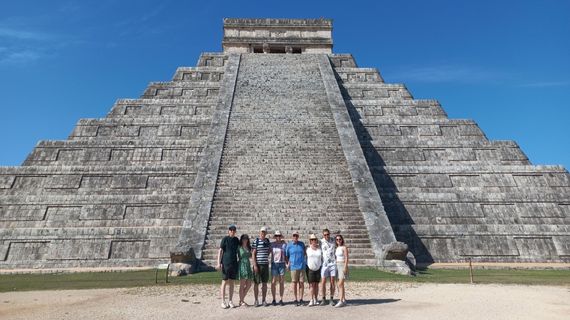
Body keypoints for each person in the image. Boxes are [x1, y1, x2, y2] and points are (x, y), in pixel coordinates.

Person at [217, 224, 240, 309]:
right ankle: (223, 301)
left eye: (234, 230)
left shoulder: (236, 240)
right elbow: (220, 250)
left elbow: (239, 250)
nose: (232, 232)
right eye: (231, 230)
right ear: (229, 231)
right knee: (224, 281)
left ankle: (230, 301)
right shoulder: (225, 239)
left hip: (234, 263)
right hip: (226, 263)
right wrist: (218, 262)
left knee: (232, 283)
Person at [252, 226, 271, 307]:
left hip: (265, 265)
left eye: (264, 232)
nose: (263, 233)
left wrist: (265, 257)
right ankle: (256, 300)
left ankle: (263, 300)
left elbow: (269, 250)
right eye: (262, 232)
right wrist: (255, 265)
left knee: (264, 283)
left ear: (266, 233)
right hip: (258, 265)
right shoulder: (256, 241)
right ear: (260, 232)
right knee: (256, 283)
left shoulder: (267, 241)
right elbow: (253, 254)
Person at [285, 231, 306, 306]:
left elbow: (304, 253)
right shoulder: (289, 245)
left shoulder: (302, 244)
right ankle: (295, 299)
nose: (295, 237)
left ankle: (301, 299)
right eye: (294, 236)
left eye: (296, 236)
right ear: (292, 236)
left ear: (298, 236)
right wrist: (288, 264)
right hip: (293, 267)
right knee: (294, 283)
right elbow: (286, 256)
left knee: (301, 283)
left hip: (301, 266)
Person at [320, 228, 336, 306]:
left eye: (328, 234)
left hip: (333, 264)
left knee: (332, 282)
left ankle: (331, 298)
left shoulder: (333, 240)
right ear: (323, 235)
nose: (326, 236)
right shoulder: (321, 242)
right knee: (323, 282)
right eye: (325, 234)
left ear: (329, 234)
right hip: (324, 264)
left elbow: (341, 242)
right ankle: (323, 298)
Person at [270, 230, 287, 306]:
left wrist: (287, 263)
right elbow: (267, 252)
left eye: (279, 236)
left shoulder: (284, 245)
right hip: (274, 264)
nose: (278, 237)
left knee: (281, 282)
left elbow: (286, 254)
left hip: (282, 264)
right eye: (277, 236)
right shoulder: (272, 244)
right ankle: (274, 299)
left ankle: (281, 299)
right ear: (275, 237)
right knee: (273, 282)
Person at [237, 234, 254, 307]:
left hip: (247, 265)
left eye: (246, 238)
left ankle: (241, 299)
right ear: (241, 239)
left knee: (249, 284)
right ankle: (242, 301)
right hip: (241, 265)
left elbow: (251, 255)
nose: (245, 240)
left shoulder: (249, 247)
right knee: (242, 285)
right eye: (243, 238)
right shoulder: (239, 247)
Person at [306, 233, 322, 306]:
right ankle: (311, 299)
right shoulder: (308, 249)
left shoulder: (319, 249)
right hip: (310, 268)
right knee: (311, 285)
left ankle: (316, 298)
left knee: (316, 285)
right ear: (310, 241)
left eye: (314, 239)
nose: (313, 241)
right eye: (312, 239)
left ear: (316, 240)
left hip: (318, 268)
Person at [334, 234, 349, 307]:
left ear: (342, 240)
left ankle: (340, 301)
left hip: (342, 265)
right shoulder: (337, 248)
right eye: (337, 239)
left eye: (339, 239)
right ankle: (343, 299)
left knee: (340, 284)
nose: (338, 241)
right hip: (337, 265)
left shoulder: (344, 247)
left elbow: (346, 258)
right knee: (340, 284)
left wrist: (345, 267)